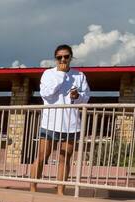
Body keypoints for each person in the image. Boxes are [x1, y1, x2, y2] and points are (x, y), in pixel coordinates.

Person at [33, 44, 90, 192]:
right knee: (42, 156)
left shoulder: (80, 76)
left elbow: (85, 98)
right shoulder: (48, 74)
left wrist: (77, 96)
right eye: (59, 57)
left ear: (71, 57)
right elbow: (46, 94)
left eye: (66, 56)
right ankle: (33, 188)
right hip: (50, 123)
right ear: (55, 58)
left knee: (65, 159)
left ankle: (60, 191)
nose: (63, 59)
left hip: (70, 124)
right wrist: (61, 74)